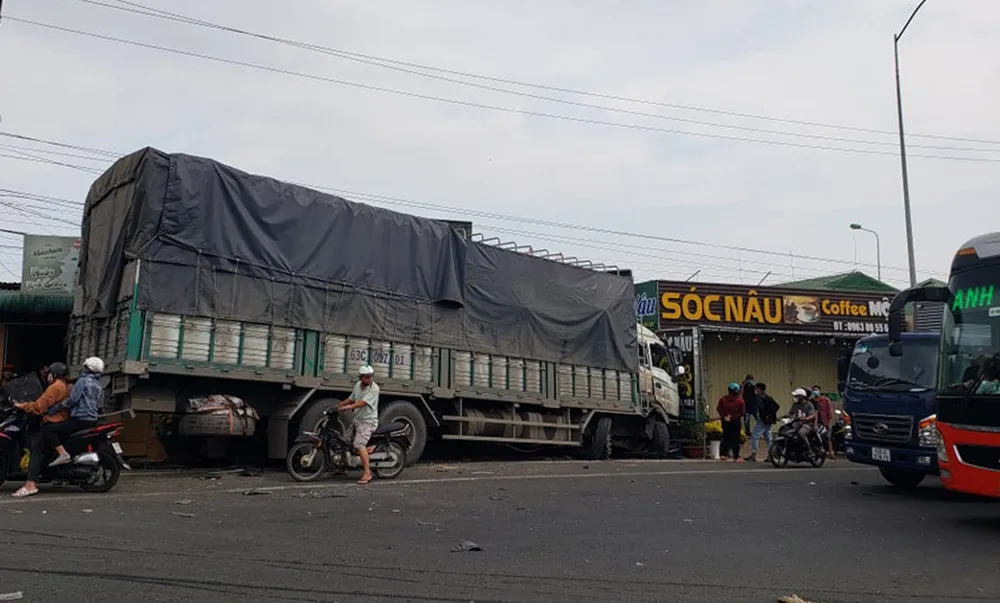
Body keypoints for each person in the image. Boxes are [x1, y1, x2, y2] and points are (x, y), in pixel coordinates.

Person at [10, 362, 72, 498]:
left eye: (49, 373)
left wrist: (22, 405)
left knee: (36, 450)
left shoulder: (55, 387)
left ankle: (30, 484)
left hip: (53, 422)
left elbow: (39, 407)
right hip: (61, 422)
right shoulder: (65, 387)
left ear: (55, 374)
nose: (47, 376)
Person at [41, 357, 104, 468]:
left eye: (85, 367)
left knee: (48, 430)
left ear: (88, 368)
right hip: (92, 420)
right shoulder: (98, 385)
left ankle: (63, 454)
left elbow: (72, 400)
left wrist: (55, 408)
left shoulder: (83, 381)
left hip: (80, 419)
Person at [338, 364, 380, 485]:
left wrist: (349, 407)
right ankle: (341, 467)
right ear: (361, 377)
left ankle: (367, 473)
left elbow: (362, 403)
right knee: (344, 441)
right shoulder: (357, 386)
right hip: (357, 420)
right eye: (367, 377)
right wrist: (339, 405)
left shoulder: (374, 388)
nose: (370, 379)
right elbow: (351, 398)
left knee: (359, 444)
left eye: (371, 376)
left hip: (368, 421)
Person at [745, 381, 779, 462]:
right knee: (768, 437)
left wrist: (763, 415)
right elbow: (776, 406)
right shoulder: (767, 396)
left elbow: (761, 408)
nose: (755, 389)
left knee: (755, 436)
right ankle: (772, 454)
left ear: (759, 389)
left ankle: (753, 454)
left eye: (756, 388)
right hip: (769, 420)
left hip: (763, 420)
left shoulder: (760, 397)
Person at [716, 382, 746, 463]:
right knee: (735, 438)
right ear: (736, 391)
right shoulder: (740, 401)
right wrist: (732, 417)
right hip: (735, 422)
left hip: (725, 421)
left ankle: (723, 455)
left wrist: (724, 416)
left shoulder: (723, 399)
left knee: (726, 437)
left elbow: (719, 408)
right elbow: (742, 412)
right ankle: (736, 457)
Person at [788, 388, 817, 459]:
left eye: (796, 396)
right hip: (796, 423)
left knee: (801, 433)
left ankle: (810, 450)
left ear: (801, 397)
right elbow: (790, 413)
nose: (795, 398)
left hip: (807, 424)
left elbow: (812, 415)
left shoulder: (809, 405)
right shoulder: (795, 405)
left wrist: (806, 418)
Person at [812, 384, 836, 459]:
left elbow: (830, 411)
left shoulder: (826, 400)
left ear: (820, 391)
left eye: (816, 390)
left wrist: (829, 422)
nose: (815, 391)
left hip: (825, 422)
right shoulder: (812, 401)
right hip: (816, 423)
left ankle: (831, 453)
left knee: (828, 438)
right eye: (814, 390)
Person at [741, 374, 758, 438]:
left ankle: (759, 432)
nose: (749, 381)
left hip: (754, 405)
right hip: (746, 405)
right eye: (748, 379)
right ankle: (747, 433)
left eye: (751, 380)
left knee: (758, 419)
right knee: (746, 420)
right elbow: (741, 393)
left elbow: (757, 393)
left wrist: (754, 385)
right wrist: (743, 384)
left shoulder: (754, 386)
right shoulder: (743, 386)